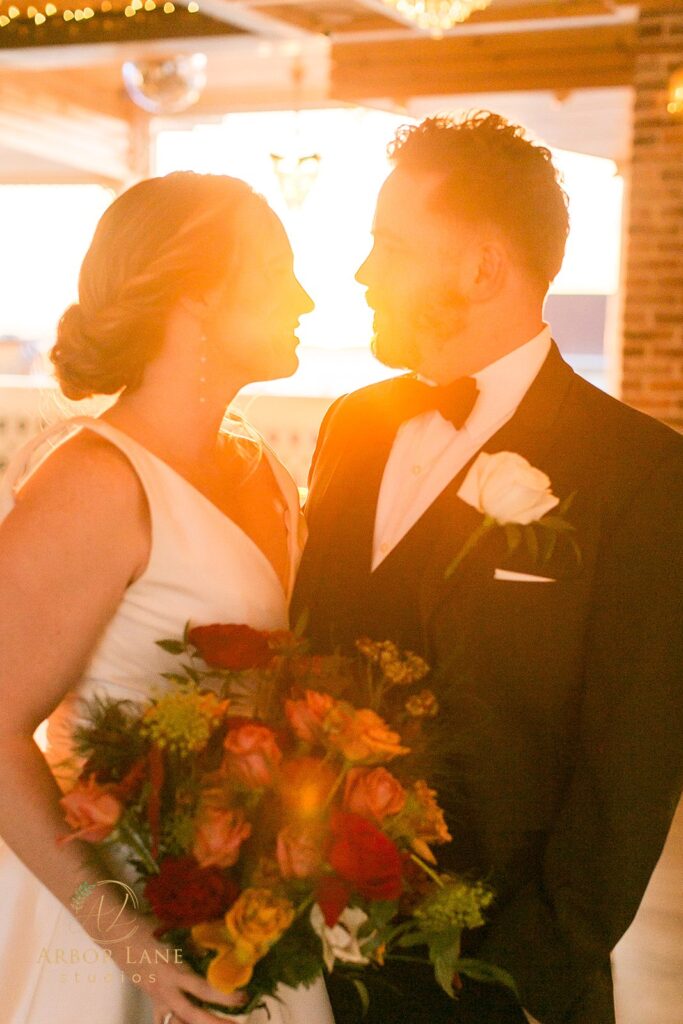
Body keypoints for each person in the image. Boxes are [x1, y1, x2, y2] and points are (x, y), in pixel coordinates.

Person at [291, 112, 683, 1024]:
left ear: (481, 267)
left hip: (502, 984)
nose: (361, 273)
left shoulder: (641, 475)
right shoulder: (352, 425)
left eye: (389, 245)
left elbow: (626, 781)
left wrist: (513, 987)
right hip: (309, 968)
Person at [0, 172, 334, 1024]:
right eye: (277, 270)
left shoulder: (262, 465)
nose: (303, 296)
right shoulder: (96, 482)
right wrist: (134, 949)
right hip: (106, 922)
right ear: (197, 295)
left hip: (239, 911)